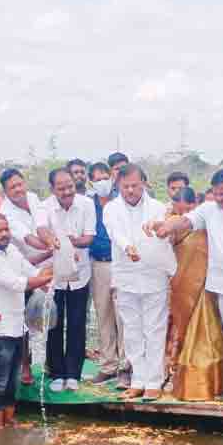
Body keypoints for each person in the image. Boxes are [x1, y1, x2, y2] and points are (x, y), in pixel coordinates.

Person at [152, 173, 223, 402]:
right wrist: (165, 226)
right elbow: (184, 221)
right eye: (217, 193)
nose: (220, 198)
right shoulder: (208, 210)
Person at [0, 214, 52, 427]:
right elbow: (16, 283)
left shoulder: (13, 251)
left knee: (12, 381)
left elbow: (31, 272)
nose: (5, 233)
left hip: (18, 325)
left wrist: (50, 271)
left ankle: (9, 422)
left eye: (6, 229)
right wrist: (41, 279)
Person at [104, 163, 174, 400]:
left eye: (135, 185)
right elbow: (115, 233)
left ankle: (154, 381)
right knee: (132, 330)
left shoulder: (158, 207)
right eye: (126, 187)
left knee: (155, 328)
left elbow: (164, 235)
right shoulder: (111, 209)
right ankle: (138, 379)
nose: (131, 190)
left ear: (143, 183)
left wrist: (158, 228)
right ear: (118, 186)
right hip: (126, 276)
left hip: (154, 275)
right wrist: (127, 247)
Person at [36, 168, 96, 392]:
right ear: (52, 189)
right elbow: (42, 229)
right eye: (61, 188)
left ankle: (74, 373)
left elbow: (89, 237)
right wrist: (55, 241)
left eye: (69, 186)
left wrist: (72, 243)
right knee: (53, 324)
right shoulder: (44, 206)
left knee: (77, 323)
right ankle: (56, 373)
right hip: (55, 276)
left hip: (80, 274)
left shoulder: (86, 204)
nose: (67, 191)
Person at [0, 167, 51, 385]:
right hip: (22, 269)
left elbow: (41, 226)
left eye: (20, 184)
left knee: (44, 319)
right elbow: (29, 239)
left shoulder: (33, 198)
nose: (18, 189)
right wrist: (54, 246)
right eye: (12, 187)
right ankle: (25, 366)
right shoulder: (6, 212)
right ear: (5, 191)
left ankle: (50, 364)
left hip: (44, 267)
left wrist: (52, 245)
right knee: (22, 324)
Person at [88, 162, 129, 385]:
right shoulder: (87, 204)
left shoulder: (120, 202)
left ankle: (125, 365)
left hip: (121, 261)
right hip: (99, 264)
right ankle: (108, 365)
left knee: (123, 315)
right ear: (90, 181)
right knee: (103, 314)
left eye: (106, 176)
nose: (103, 181)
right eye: (97, 178)